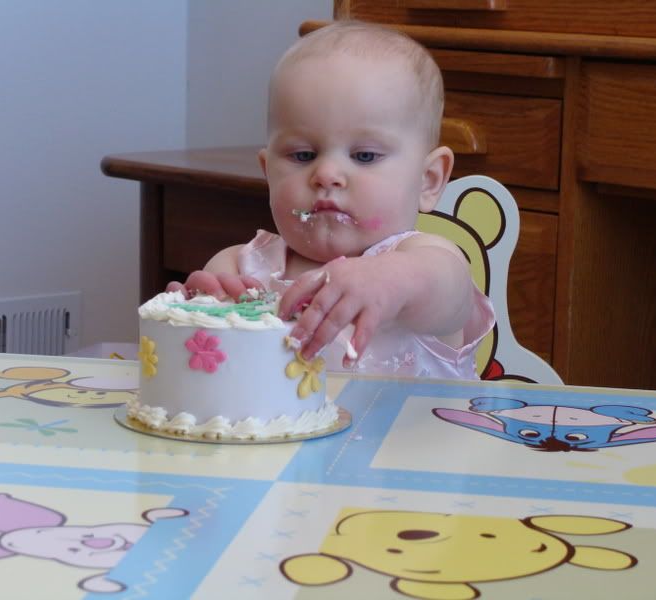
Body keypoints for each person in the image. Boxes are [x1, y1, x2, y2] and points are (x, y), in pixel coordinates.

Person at [167, 20, 495, 379]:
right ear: (269, 173)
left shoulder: (427, 261)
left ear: (427, 180)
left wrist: (393, 280)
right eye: (303, 155)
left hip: (416, 419)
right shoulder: (238, 267)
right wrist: (197, 313)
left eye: (364, 156)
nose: (326, 174)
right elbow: (206, 373)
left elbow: (450, 296)